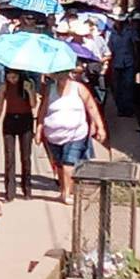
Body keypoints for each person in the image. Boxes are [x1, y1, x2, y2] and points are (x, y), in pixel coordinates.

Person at [36, 71, 107, 204]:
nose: (61, 78)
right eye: (58, 75)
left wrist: (100, 127)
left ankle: (67, 194)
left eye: (64, 75)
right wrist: (39, 129)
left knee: (68, 162)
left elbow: (91, 107)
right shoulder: (50, 89)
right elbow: (43, 110)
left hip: (76, 133)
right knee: (59, 164)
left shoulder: (79, 88)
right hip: (53, 135)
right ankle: (64, 190)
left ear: (69, 74)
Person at [0, 70, 37, 200]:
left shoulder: (28, 84)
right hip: (10, 120)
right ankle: (9, 192)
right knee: (9, 157)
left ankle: (27, 188)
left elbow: (33, 104)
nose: (12, 79)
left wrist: (29, 91)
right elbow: (0, 105)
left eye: (15, 77)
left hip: (26, 120)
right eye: (9, 76)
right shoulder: (4, 86)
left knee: (26, 157)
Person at [107, 8, 138, 117]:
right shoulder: (110, 33)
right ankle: (120, 109)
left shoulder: (130, 31)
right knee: (117, 87)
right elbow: (108, 48)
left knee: (128, 86)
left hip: (129, 62)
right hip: (116, 63)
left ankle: (128, 109)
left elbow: (135, 46)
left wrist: (136, 60)